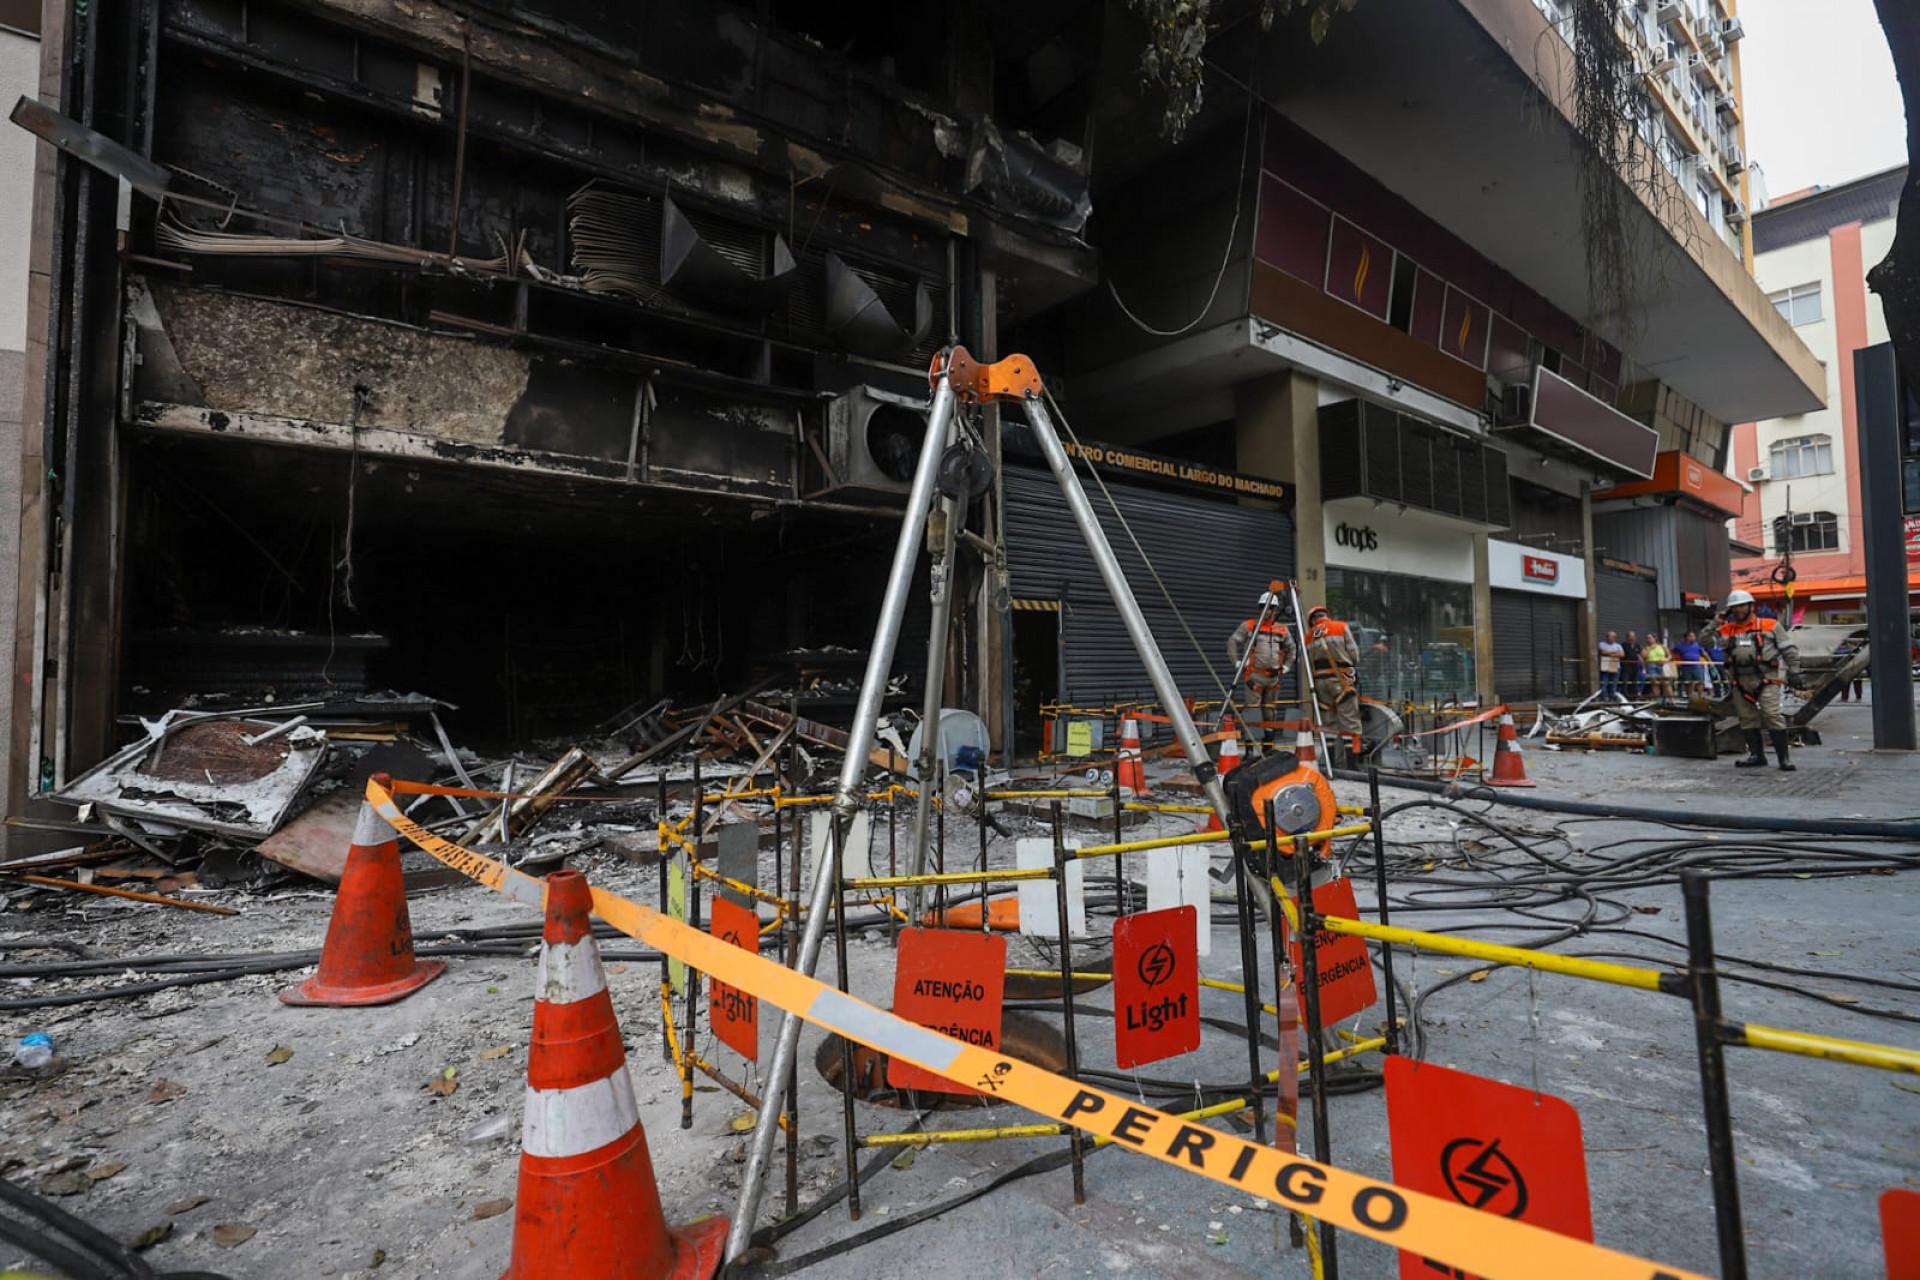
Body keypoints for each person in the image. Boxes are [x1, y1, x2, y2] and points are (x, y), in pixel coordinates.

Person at [1717, 589, 1803, 771]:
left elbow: (1789, 650)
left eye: (1742, 605)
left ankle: (1783, 759)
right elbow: (1705, 641)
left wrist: (1794, 671)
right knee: (1747, 719)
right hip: (1740, 682)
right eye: (1734, 607)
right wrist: (1714, 622)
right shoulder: (1726, 629)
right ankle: (1757, 756)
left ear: (1751, 606)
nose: (1739, 610)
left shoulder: (1770, 625)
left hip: (1766, 679)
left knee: (1772, 715)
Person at [1228, 592, 1295, 744]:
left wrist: (1287, 666)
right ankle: (1251, 747)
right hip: (1254, 677)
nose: (1268, 611)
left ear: (1276, 610)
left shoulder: (1282, 629)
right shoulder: (1250, 626)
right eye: (1265, 607)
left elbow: (1292, 648)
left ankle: (1268, 745)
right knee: (1252, 710)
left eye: (1271, 608)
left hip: (1273, 679)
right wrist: (1237, 662)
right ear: (1260, 608)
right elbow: (1232, 642)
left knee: (1269, 711)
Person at [1305, 604, 1362, 764]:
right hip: (1341, 679)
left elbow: (1309, 663)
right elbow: (1354, 654)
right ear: (1326, 615)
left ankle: (1330, 762)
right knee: (1350, 721)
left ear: (1312, 621)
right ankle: (1352, 765)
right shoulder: (1340, 626)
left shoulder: (1309, 636)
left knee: (1328, 723)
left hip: (1321, 682)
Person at [1672, 631, 1706, 698]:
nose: (1694, 637)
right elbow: (1672, 653)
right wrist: (1674, 662)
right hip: (1686, 667)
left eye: (1694, 636)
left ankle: (1701, 696)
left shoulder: (1697, 645)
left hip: (1697, 666)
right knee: (1688, 682)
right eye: (1692, 636)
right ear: (1687, 637)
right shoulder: (1680, 646)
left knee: (1700, 681)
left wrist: (1710, 662)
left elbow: (1704, 653)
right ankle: (1690, 697)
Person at [1643, 635, 1672, 701]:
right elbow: (1643, 656)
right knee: (1655, 684)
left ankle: (1672, 701)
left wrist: (1665, 660)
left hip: (1662, 666)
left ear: (1655, 638)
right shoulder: (1646, 648)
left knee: (1666, 684)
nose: (1648, 639)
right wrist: (1650, 649)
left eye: (1650, 638)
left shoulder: (1662, 646)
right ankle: (1657, 701)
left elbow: (1669, 655)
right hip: (1651, 666)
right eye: (1647, 638)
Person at [1597, 631, 1624, 700]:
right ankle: (1604, 698)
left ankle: (1612, 698)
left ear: (1614, 638)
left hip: (1616, 667)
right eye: (1609, 636)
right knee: (1604, 683)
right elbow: (1603, 652)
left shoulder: (1618, 645)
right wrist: (1615, 652)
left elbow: (1622, 654)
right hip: (1605, 667)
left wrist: (1609, 653)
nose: (1610, 638)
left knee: (1614, 684)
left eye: (1612, 637)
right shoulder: (1601, 644)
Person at [1621, 631, 1643, 699]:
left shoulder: (1637, 645)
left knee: (1635, 681)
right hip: (1626, 666)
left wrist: (1641, 658)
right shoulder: (1623, 645)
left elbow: (1640, 654)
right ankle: (1625, 695)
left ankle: (1634, 695)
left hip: (1635, 666)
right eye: (1630, 637)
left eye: (1633, 637)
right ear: (1627, 637)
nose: (1632, 638)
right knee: (1625, 681)